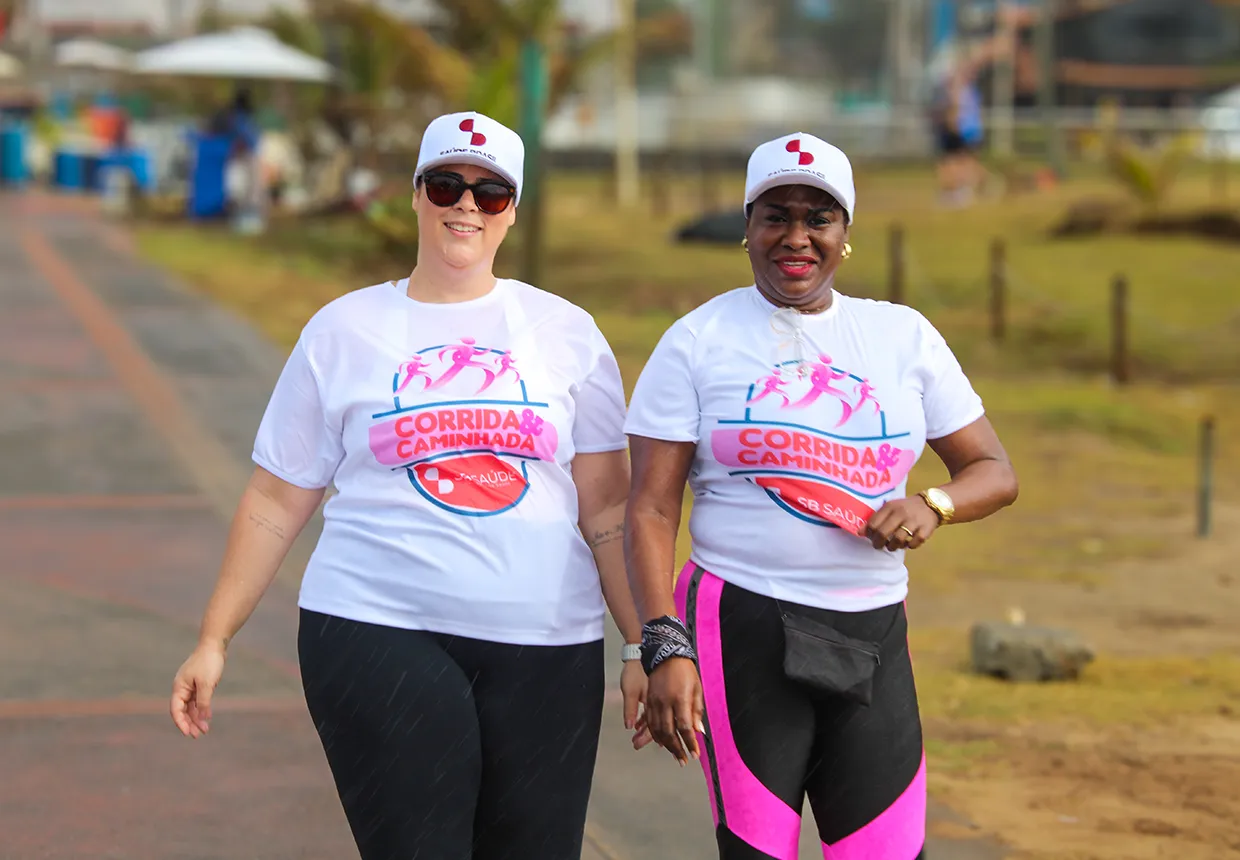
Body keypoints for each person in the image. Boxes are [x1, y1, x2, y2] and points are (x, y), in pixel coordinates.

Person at [170, 110, 648, 860]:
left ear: (512, 209)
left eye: (490, 192)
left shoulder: (568, 332)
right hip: (376, 627)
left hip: (548, 643)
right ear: (417, 194)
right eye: (447, 185)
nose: (467, 205)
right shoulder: (343, 330)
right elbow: (275, 497)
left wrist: (642, 643)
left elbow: (609, 506)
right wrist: (213, 639)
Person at [623, 132, 1019, 860]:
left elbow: (993, 469)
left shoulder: (902, 336)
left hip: (873, 631)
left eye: (819, 218)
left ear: (845, 233)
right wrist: (662, 642)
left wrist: (933, 504)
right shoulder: (696, 341)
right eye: (776, 216)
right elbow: (649, 507)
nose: (797, 237)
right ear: (748, 227)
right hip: (742, 623)